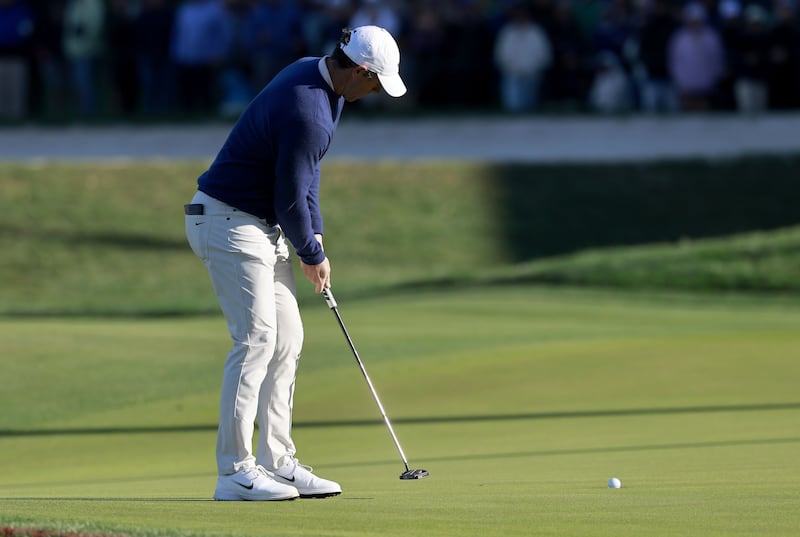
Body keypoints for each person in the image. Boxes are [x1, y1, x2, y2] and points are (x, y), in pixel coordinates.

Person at [184, 25, 407, 502]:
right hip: (227, 220)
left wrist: (317, 234)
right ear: (360, 71)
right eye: (375, 83)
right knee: (257, 338)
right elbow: (289, 200)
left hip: (258, 224)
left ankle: (278, 462)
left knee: (288, 339)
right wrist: (312, 254)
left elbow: (307, 174)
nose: (375, 93)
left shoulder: (323, 79)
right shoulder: (308, 108)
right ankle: (235, 471)